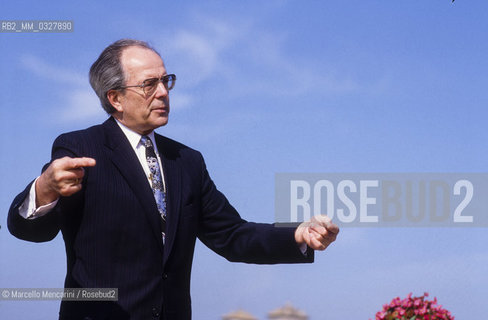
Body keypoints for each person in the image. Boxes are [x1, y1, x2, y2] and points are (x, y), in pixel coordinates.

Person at [7, 39, 339, 320]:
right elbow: (31, 230)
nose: (163, 93)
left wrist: (298, 234)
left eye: (166, 81)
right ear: (115, 98)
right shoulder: (80, 148)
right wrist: (44, 189)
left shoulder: (187, 162)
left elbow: (232, 235)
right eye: (148, 85)